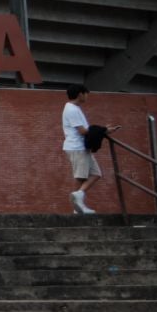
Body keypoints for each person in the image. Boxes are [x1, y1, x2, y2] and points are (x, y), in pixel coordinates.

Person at [62, 84, 100, 214]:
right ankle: (76, 208)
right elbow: (82, 131)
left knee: (95, 174)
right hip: (76, 147)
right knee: (80, 177)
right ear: (80, 94)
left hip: (82, 147)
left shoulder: (75, 108)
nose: (87, 96)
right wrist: (101, 130)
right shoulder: (71, 109)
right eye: (86, 93)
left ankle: (78, 198)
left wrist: (104, 130)